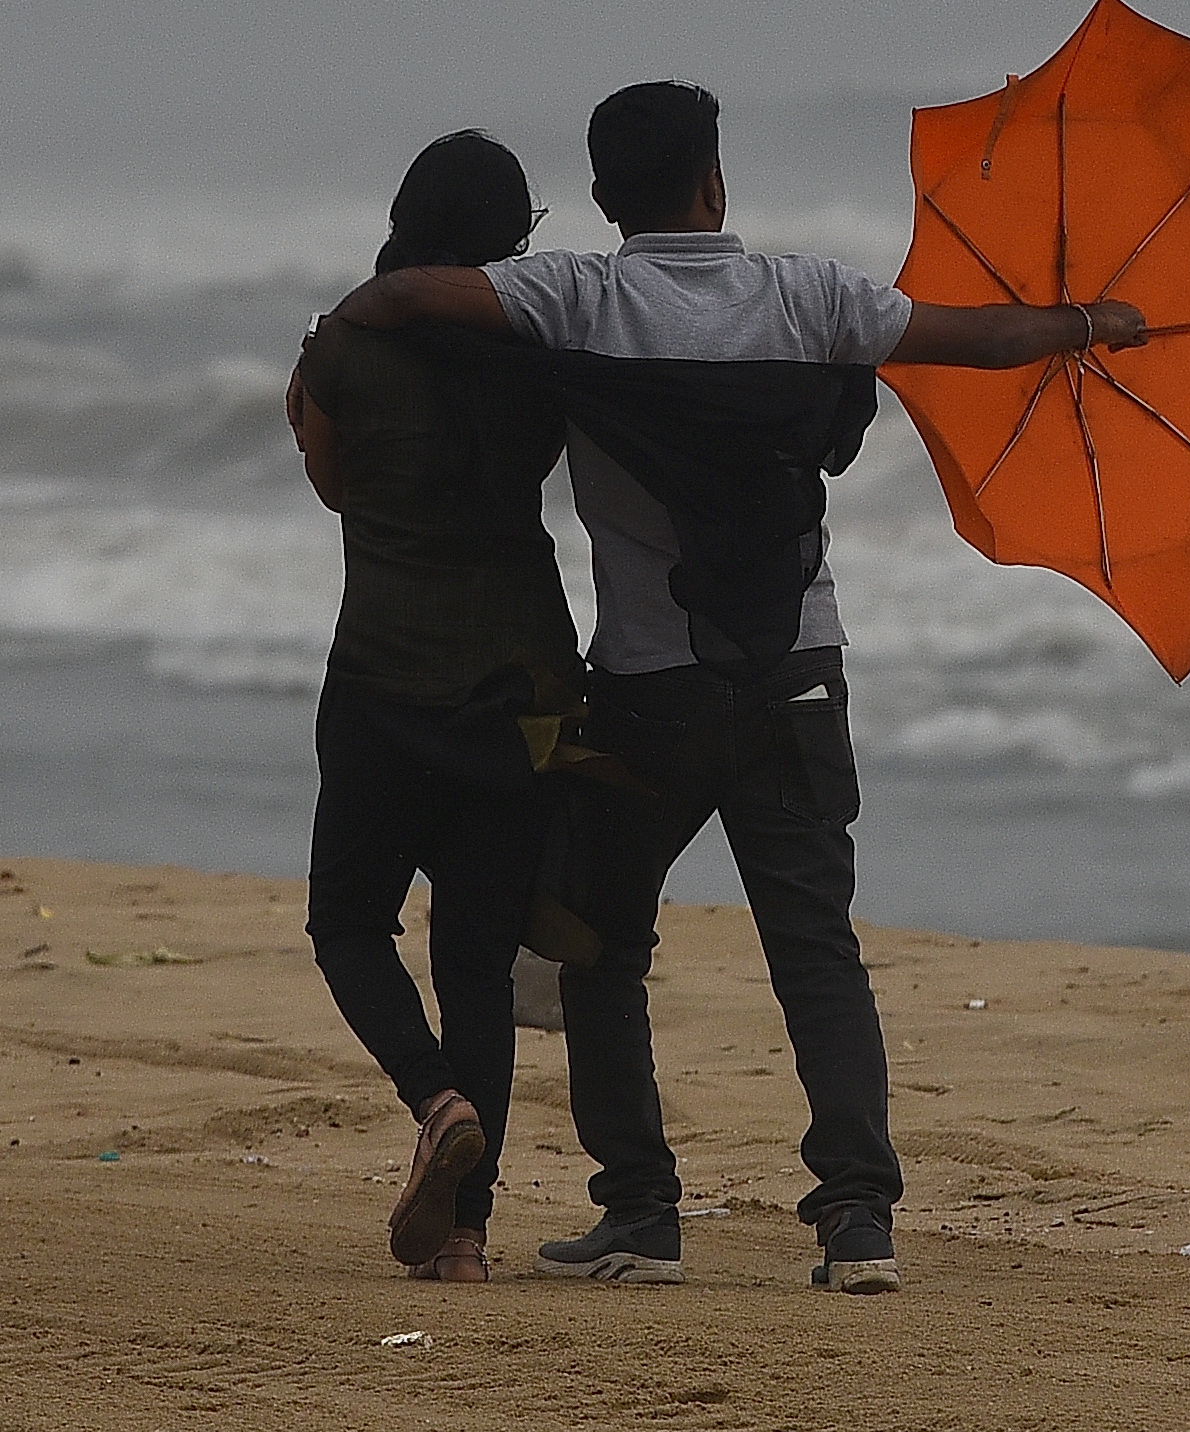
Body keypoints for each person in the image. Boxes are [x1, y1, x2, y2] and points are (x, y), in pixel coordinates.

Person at [330, 81, 1145, 1293]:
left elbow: (401, 298)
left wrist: (342, 327)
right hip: (799, 679)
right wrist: (1095, 320)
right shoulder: (810, 296)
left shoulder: (579, 297)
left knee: (606, 953)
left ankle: (643, 1218)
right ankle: (858, 1224)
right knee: (814, 947)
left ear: (607, 202)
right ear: (714, 185)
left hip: (650, 694)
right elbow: (983, 339)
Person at [287, 130, 579, 1284]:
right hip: (519, 689)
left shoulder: (344, 344)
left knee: (349, 924)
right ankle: (466, 1234)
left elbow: (334, 484)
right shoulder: (543, 353)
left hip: (383, 684)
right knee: (476, 960)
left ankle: (433, 1096)